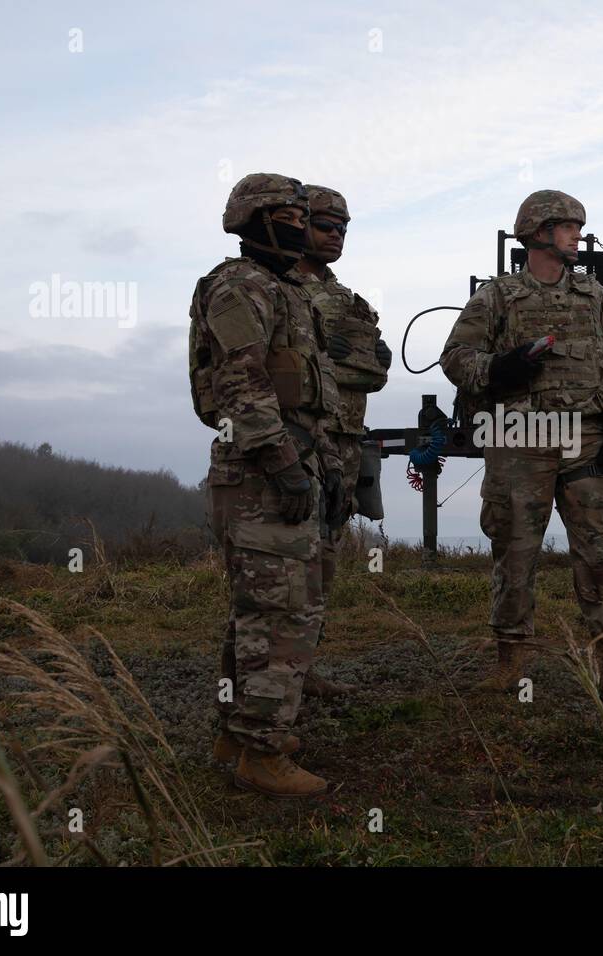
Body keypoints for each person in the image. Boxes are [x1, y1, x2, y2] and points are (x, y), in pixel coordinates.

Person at [439, 190, 603, 702]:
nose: (579, 235)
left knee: (597, 553)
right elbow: (454, 357)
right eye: (569, 227)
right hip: (520, 442)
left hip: (588, 442)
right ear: (539, 233)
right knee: (514, 553)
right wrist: (498, 368)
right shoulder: (497, 297)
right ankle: (510, 662)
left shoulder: (596, 297)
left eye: (578, 227)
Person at [187, 172, 348, 797]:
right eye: (291, 214)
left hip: (289, 461)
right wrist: (282, 460)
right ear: (257, 218)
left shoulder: (287, 291)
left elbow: (313, 393)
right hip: (257, 472)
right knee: (280, 615)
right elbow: (241, 381)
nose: (303, 225)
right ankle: (262, 750)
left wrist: (326, 464)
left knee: (259, 612)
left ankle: (238, 730)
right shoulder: (238, 286)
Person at [293, 186, 391, 698]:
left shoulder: (351, 300)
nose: (335, 236)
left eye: (343, 229)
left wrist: (335, 357)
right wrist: (329, 358)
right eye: (325, 226)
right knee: (287, 562)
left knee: (326, 558)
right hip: (297, 441)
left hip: (345, 442)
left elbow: (373, 372)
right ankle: (270, 678)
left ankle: (302, 669)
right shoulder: (276, 289)